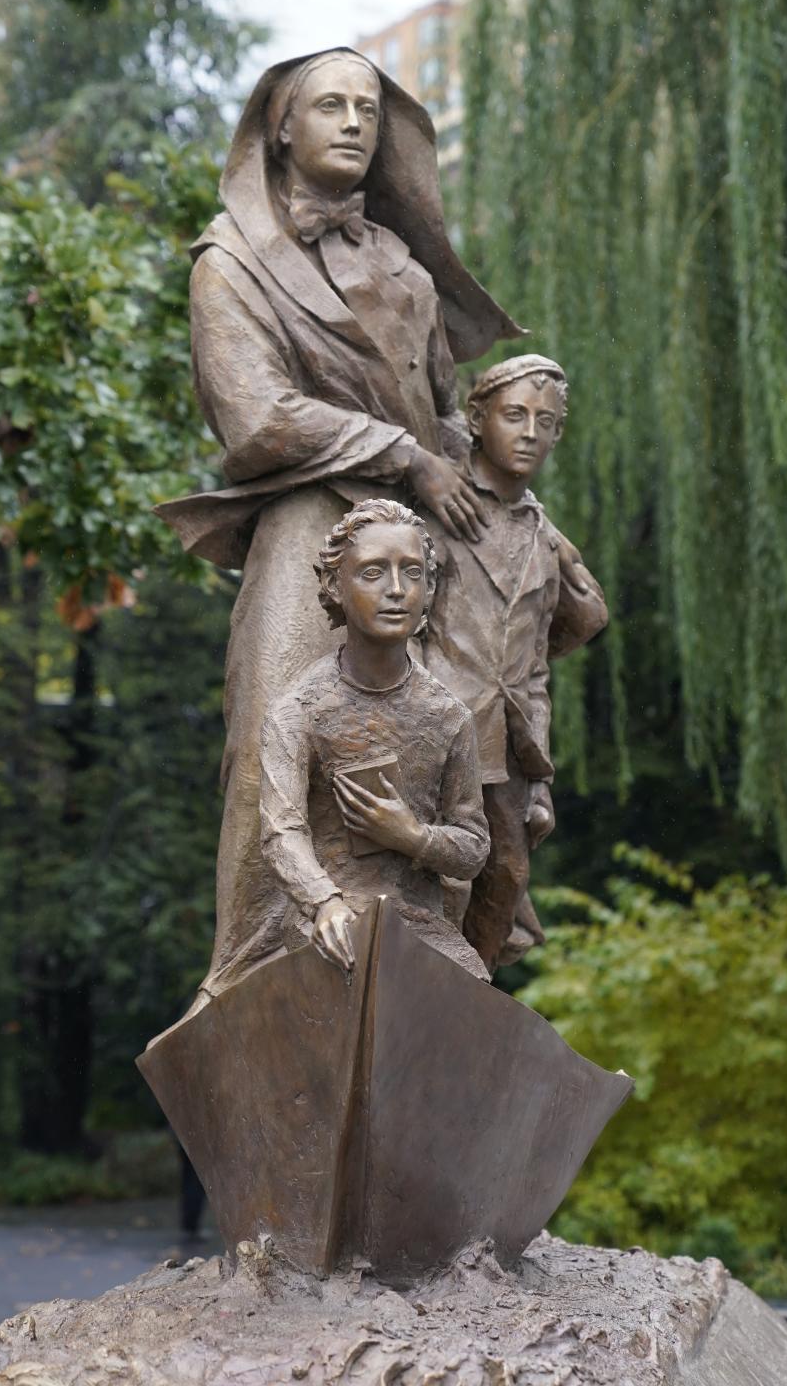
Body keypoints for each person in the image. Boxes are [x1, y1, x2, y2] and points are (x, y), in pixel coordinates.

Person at [154, 49, 522, 998]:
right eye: (330, 106)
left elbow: (441, 409)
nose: (355, 122)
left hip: (424, 544)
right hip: (309, 524)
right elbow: (257, 415)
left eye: (368, 107)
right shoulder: (230, 262)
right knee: (271, 738)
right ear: (281, 127)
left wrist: (485, 494)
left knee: (457, 743)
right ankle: (246, 981)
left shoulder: (403, 267)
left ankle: (430, 971)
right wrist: (400, 454)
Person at [423, 356, 609, 974]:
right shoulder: (438, 508)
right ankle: (417, 1005)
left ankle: (462, 1004)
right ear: (477, 420)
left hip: (507, 746)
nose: (530, 431)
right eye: (515, 415)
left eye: (546, 422)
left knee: (506, 876)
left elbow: (534, 669)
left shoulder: (543, 536)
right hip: (437, 730)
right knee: (438, 882)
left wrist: (541, 777)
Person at [258, 499, 490, 981]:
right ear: (333, 586)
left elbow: (472, 848)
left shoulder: (449, 717)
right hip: (326, 922)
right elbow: (282, 831)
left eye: (412, 573)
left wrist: (414, 837)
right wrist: (324, 901)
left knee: (466, 1007)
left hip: (420, 926)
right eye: (373, 573)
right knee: (357, 979)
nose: (397, 590)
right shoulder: (298, 712)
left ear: (429, 590)